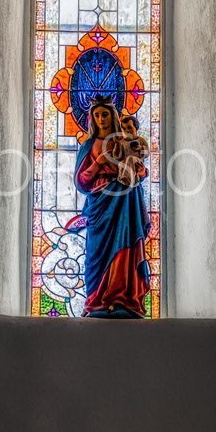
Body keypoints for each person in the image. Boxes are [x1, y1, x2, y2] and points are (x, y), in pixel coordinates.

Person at [74, 96, 151, 317]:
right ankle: (96, 300)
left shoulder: (124, 141)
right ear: (92, 118)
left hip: (125, 198)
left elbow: (139, 168)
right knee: (96, 254)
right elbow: (81, 181)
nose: (101, 119)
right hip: (100, 203)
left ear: (113, 116)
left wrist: (136, 171)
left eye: (105, 114)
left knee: (125, 243)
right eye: (97, 115)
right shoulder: (88, 145)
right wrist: (99, 162)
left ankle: (122, 298)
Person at [114, 112, 150, 188]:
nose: (127, 130)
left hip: (136, 165)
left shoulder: (140, 140)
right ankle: (124, 180)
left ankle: (128, 179)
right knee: (122, 163)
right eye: (124, 128)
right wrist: (117, 145)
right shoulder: (122, 142)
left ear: (136, 127)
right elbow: (117, 157)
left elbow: (147, 153)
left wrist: (141, 148)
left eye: (129, 127)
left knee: (130, 158)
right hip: (125, 166)